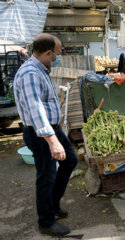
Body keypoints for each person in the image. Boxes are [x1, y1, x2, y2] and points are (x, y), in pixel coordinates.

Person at [13, 33, 78, 236]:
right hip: (40, 132)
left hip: (52, 128)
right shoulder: (30, 74)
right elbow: (35, 109)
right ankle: (46, 222)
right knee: (46, 177)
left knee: (70, 161)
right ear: (48, 53)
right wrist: (52, 141)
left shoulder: (41, 70)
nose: (58, 58)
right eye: (57, 55)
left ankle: (52, 204)